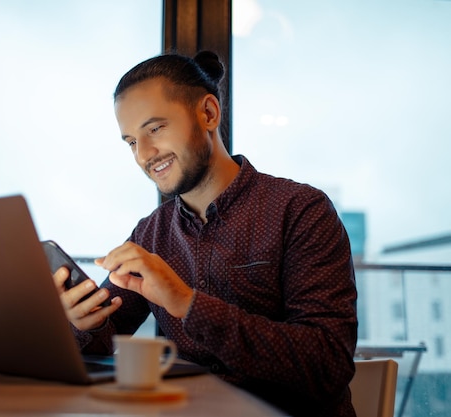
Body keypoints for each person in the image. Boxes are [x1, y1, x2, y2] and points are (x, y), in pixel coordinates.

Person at [52, 50, 358, 417]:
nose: (144, 155)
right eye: (132, 141)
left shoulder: (300, 210)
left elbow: (328, 365)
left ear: (208, 114)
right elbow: (105, 337)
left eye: (155, 128)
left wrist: (186, 302)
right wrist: (80, 323)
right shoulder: (150, 233)